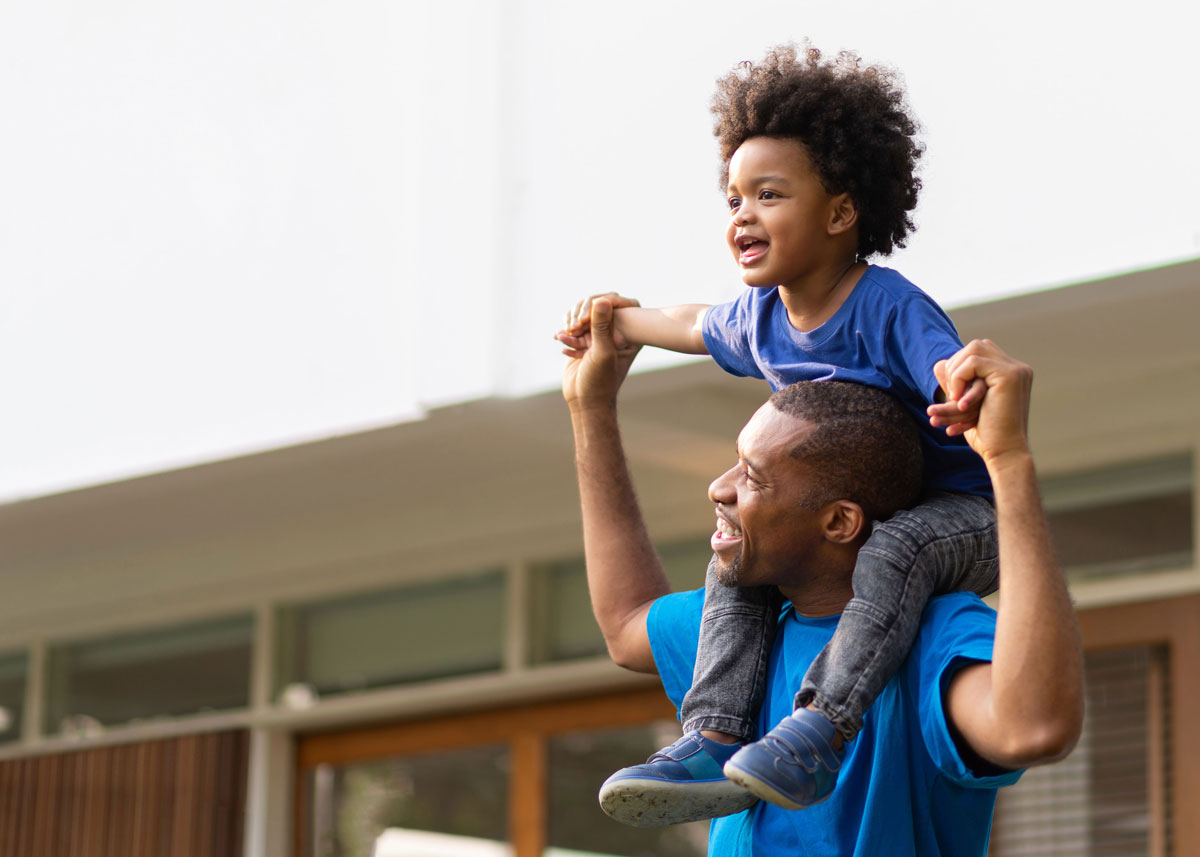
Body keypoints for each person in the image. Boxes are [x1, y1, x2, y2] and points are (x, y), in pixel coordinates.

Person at [556, 43, 1000, 824]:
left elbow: (946, 365)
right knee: (735, 560)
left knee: (895, 554)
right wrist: (616, 323)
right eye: (733, 200)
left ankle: (822, 727)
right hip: (870, 516)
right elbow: (693, 321)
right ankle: (714, 731)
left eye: (768, 194)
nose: (743, 215)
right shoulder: (761, 318)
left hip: (957, 514)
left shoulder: (886, 306)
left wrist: (966, 392)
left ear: (839, 211)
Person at [561, 298, 1084, 855]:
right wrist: (590, 407)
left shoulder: (936, 634)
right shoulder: (739, 633)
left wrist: (1008, 461)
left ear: (839, 522)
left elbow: (1035, 728)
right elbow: (625, 623)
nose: (719, 487)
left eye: (753, 477)